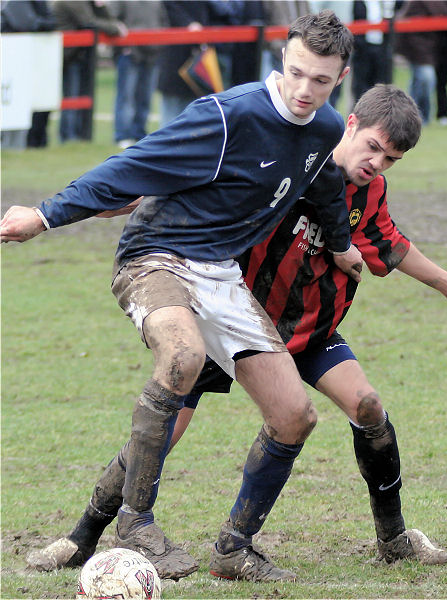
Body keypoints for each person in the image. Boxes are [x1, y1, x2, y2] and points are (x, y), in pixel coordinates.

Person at [25, 84, 447, 579]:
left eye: (390, 158)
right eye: (373, 147)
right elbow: (208, 182)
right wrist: (133, 197)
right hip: (235, 321)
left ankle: (390, 539)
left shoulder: (368, 194)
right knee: (160, 435)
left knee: (367, 405)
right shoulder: (291, 161)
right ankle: (81, 536)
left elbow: (390, 243)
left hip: (308, 332)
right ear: (350, 124)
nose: (377, 163)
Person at [1, 11, 361, 582]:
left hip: (221, 275)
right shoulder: (227, 116)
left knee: (295, 416)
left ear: (339, 77)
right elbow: (131, 165)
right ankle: (136, 521)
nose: (302, 90)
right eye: (295, 72)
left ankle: (234, 549)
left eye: (319, 80)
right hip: (157, 255)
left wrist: (340, 244)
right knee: (182, 357)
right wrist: (44, 216)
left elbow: (324, 185)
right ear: (281, 60)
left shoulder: (323, 130)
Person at [53, 1, 127, 142]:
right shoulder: (72, 3)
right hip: (69, 56)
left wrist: (101, 6)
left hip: (79, 55)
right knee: (71, 97)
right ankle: (68, 138)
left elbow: (103, 19)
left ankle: (78, 137)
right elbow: (89, 22)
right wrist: (115, 28)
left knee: (78, 96)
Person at [0, 0, 57, 149]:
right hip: (13, 59)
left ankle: (35, 142)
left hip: (32, 59)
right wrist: (44, 24)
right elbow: (28, 24)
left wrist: (44, 24)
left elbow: (51, 21)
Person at [110, 1, 166, 149]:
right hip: (130, 52)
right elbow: (112, 19)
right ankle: (122, 135)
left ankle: (139, 133)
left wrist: (160, 42)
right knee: (126, 96)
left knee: (146, 97)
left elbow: (163, 20)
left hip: (152, 52)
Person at [395, 0, 443, 125]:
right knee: (425, 79)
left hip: (430, 49)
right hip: (418, 50)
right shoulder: (415, 3)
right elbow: (405, 23)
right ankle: (413, 116)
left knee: (421, 82)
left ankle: (417, 117)